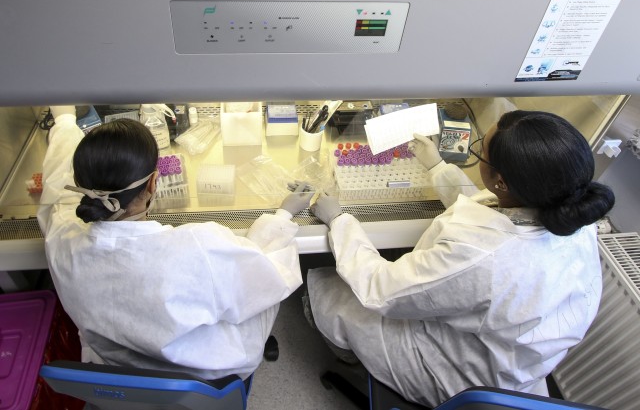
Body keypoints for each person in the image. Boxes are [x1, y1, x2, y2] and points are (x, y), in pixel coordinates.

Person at [307, 110, 614, 407]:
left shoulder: (480, 258)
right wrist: (438, 168)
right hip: (515, 363)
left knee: (324, 289)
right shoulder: (574, 214)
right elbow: (495, 210)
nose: (476, 153)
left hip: (459, 376)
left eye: (480, 153)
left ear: (501, 181)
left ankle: (355, 362)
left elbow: (380, 289)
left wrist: (340, 221)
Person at [37, 106, 313, 381]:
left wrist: (63, 121)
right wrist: (283, 216)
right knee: (255, 293)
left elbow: (56, 194)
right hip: (209, 375)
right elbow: (270, 277)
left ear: (80, 187)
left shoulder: (64, 243)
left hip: (120, 371)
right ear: (153, 184)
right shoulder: (196, 247)